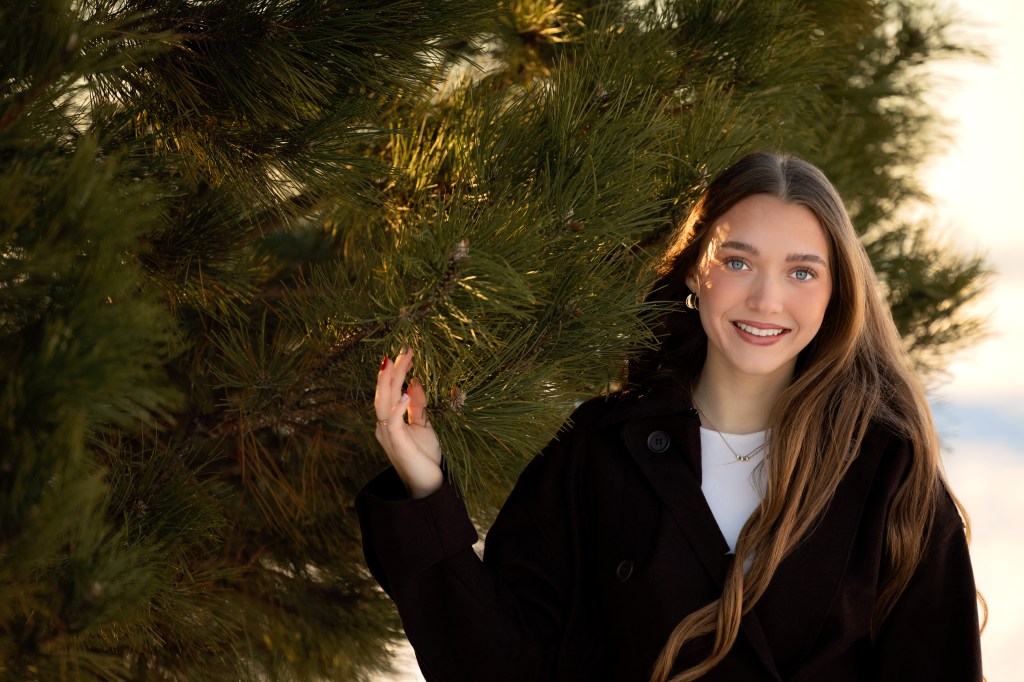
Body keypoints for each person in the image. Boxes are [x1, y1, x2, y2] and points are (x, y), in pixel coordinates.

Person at [357, 151, 983, 681]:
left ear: (836, 293)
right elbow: (500, 664)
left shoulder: (884, 468)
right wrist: (425, 488)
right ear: (694, 270)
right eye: (738, 261)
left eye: (801, 272)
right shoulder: (600, 450)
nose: (766, 299)